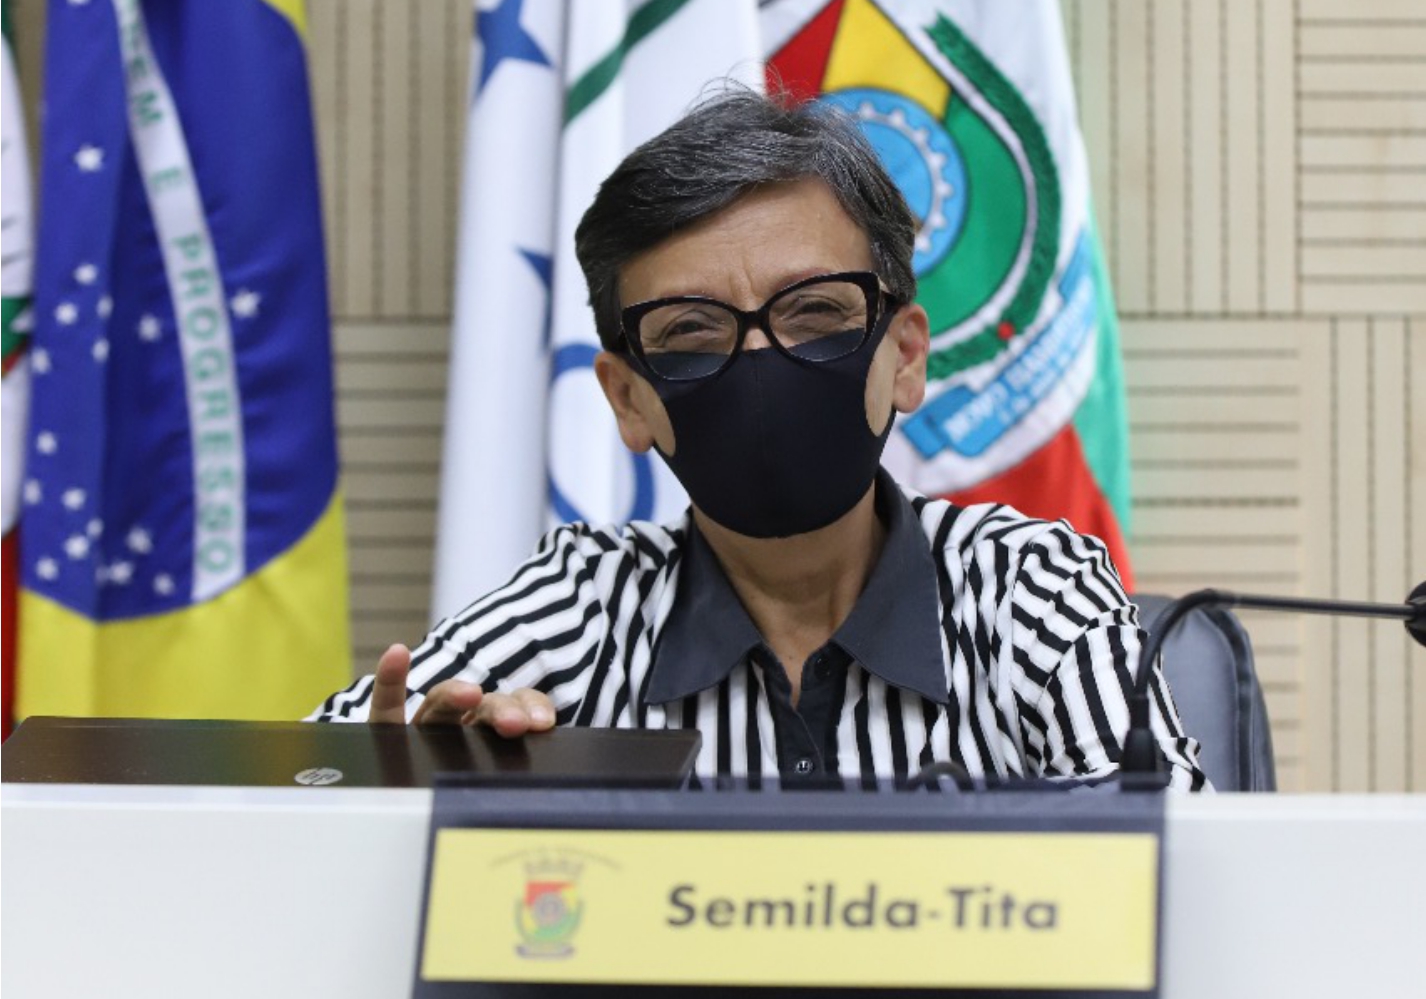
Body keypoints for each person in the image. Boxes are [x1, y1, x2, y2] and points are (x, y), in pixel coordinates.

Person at [314, 88, 1204, 790]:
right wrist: (386, 793)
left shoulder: (1026, 591)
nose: (760, 362)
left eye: (814, 313)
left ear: (904, 356)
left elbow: (1181, 871)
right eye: (691, 332)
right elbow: (297, 787)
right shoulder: (583, 606)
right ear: (628, 399)